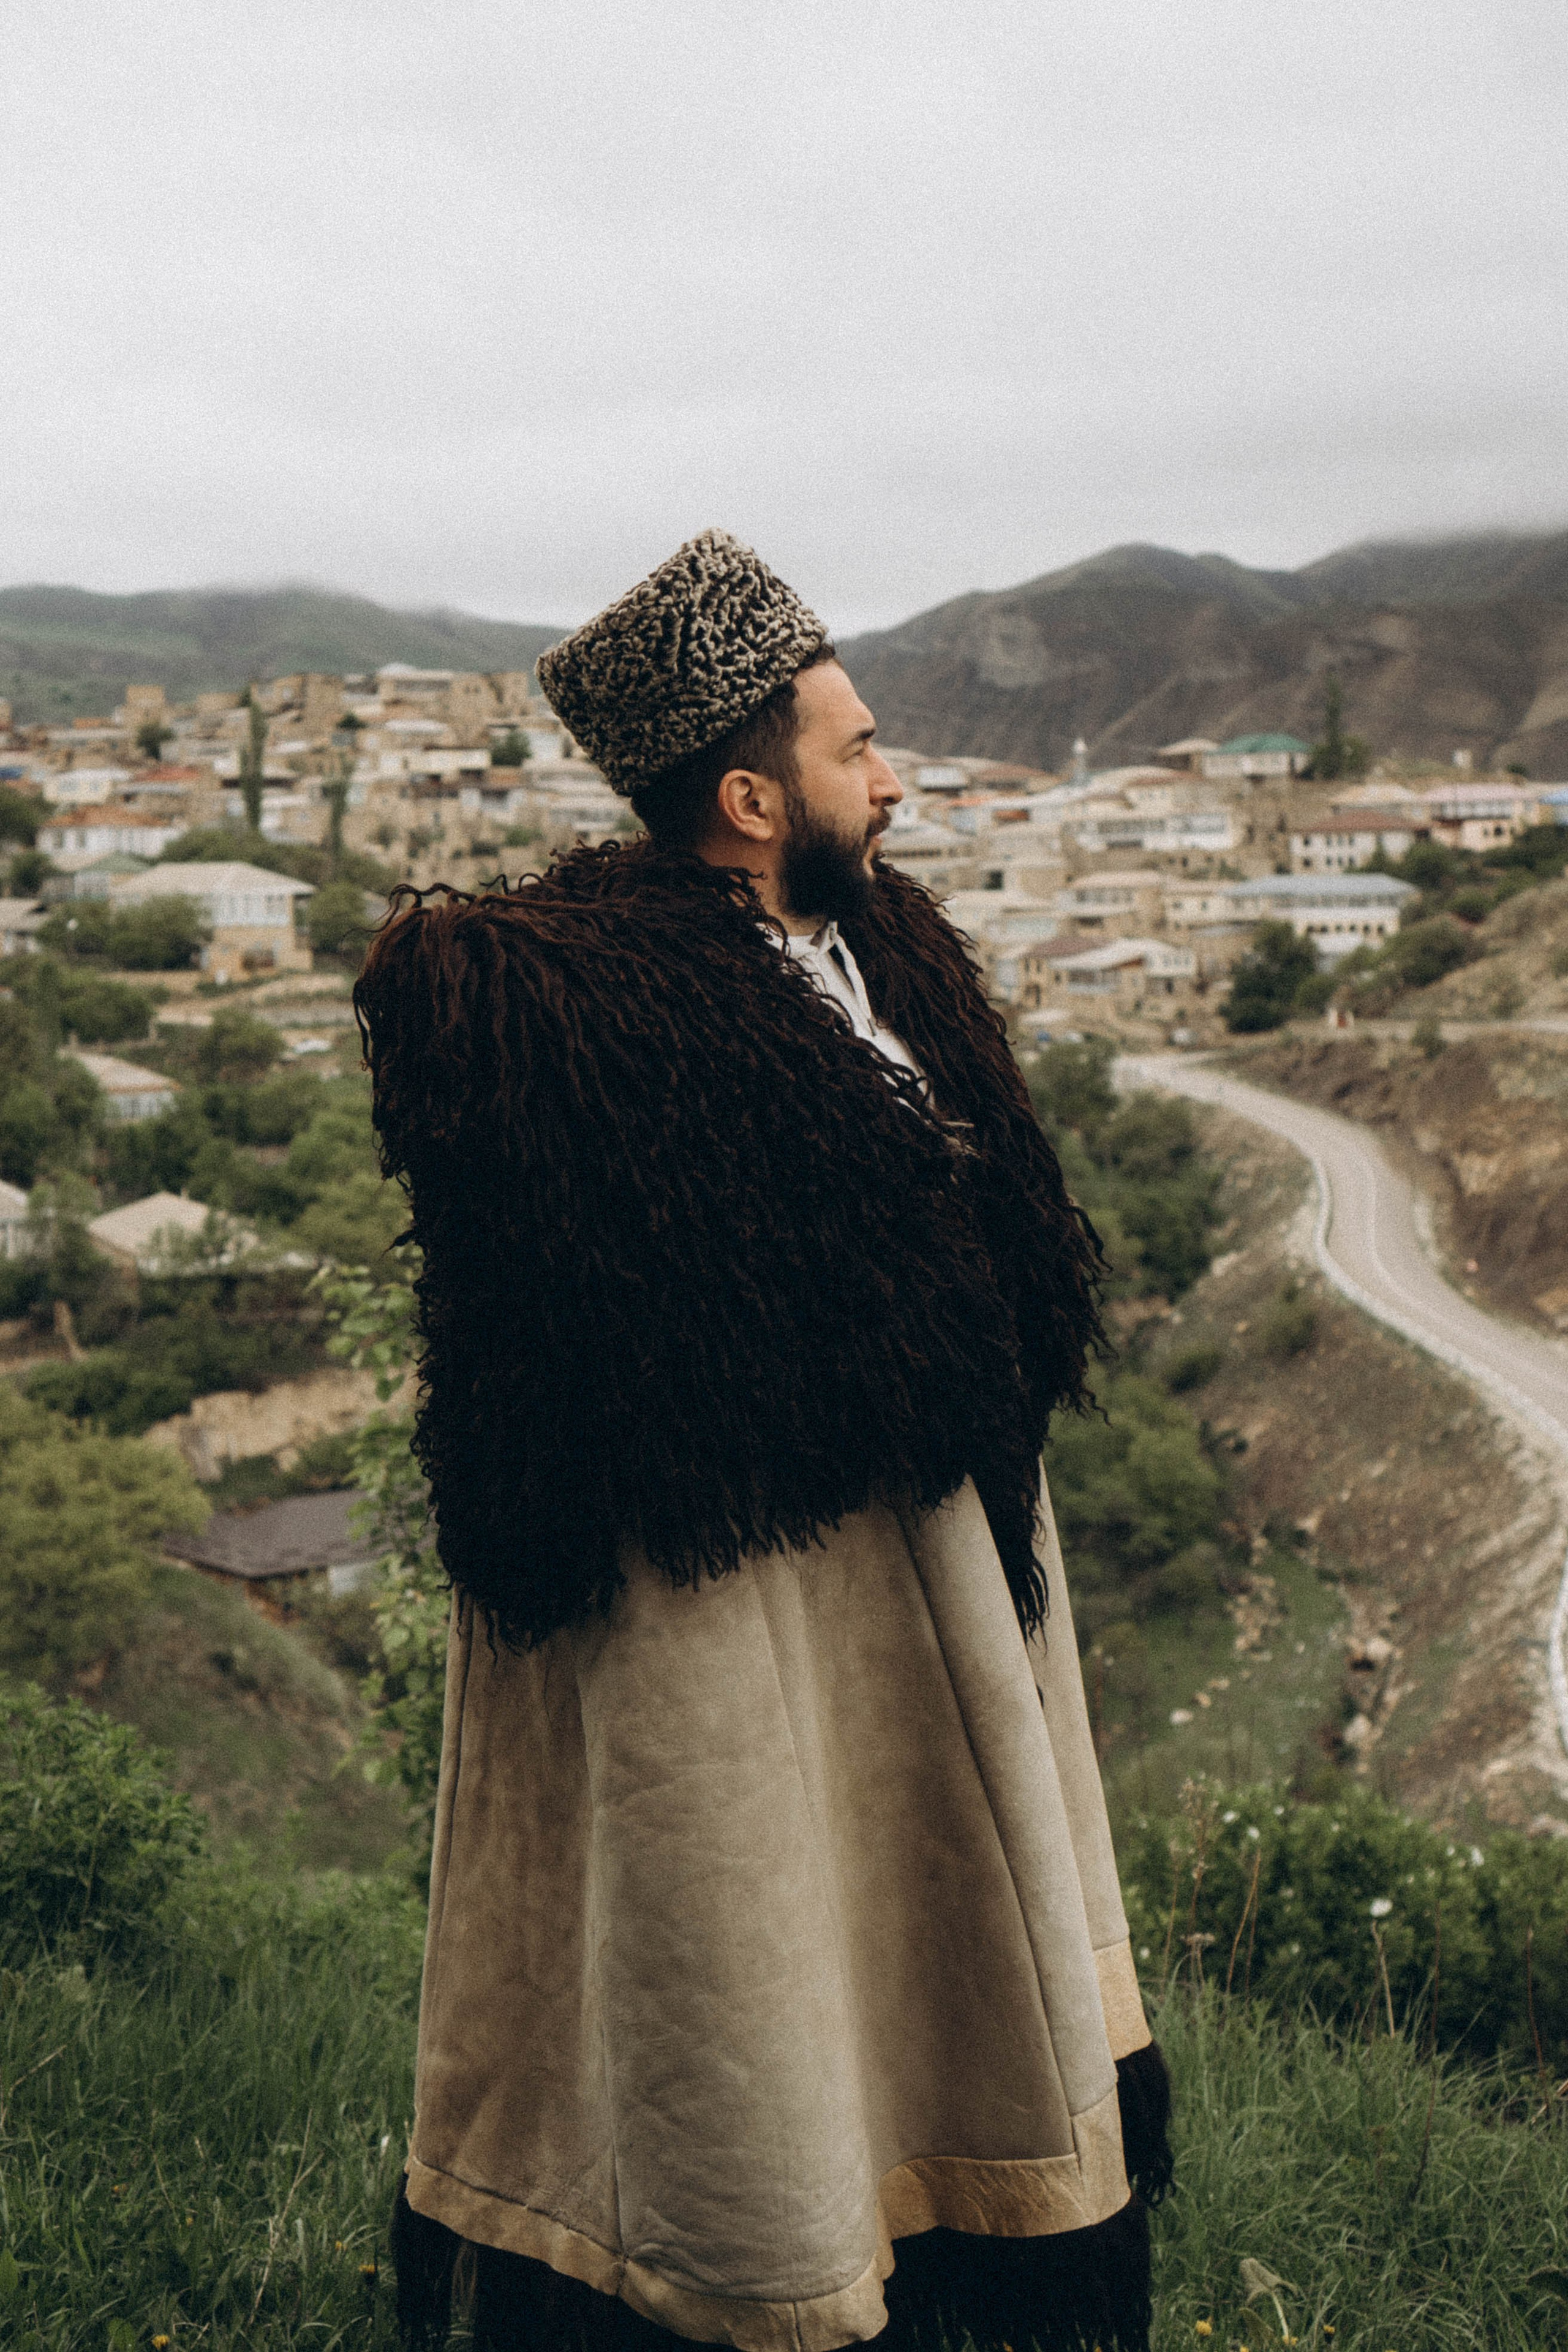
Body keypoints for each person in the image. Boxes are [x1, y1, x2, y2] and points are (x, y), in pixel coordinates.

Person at [356, 530, 1170, 2352]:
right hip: (740, 1633)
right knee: (749, 1982)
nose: (892, 780)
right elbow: (657, 1344)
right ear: (746, 796)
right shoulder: (572, 1032)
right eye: (855, 749)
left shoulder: (884, 962)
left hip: (934, 1585)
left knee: (937, 1966)